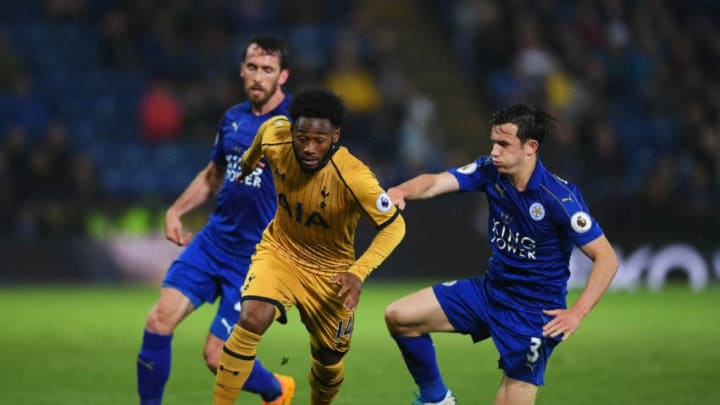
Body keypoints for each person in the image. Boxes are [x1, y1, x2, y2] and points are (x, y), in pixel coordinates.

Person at [384, 103, 619, 405]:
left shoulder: (559, 198)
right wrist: (402, 191)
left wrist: (577, 312)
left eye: (504, 144)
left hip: (534, 315)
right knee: (400, 316)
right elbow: (435, 182)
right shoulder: (489, 171)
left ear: (530, 147)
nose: (495, 151)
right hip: (491, 292)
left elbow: (607, 258)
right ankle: (436, 399)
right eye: (494, 142)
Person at [213, 89, 406, 405]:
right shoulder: (277, 136)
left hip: (332, 275)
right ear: (291, 130)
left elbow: (394, 225)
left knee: (329, 359)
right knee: (252, 318)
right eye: (302, 137)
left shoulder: (355, 177)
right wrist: (248, 163)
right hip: (281, 252)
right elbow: (266, 131)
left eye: (320, 140)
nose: (309, 148)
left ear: (336, 137)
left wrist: (357, 273)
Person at [136, 35, 296, 405]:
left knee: (216, 356)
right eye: (252, 68)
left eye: (267, 70)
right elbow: (213, 175)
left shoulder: (295, 127)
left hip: (256, 260)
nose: (258, 76)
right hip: (213, 242)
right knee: (158, 321)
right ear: (242, 70)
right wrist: (176, 210)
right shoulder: (233, 119)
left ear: (283, 76)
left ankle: (276, 390)